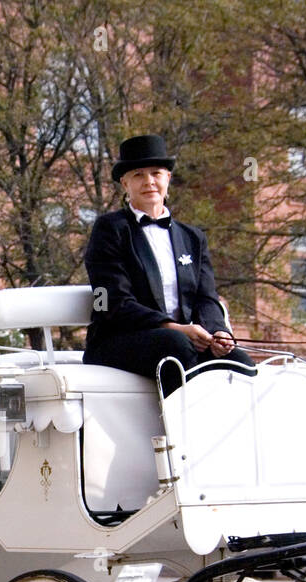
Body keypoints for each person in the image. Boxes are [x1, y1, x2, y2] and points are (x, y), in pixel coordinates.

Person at [84, 134, 255, 394]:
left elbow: (206, 298)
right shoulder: (110, 229)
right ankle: (178, 432)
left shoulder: (192, 237)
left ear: (168, 179)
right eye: (139, 175)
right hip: (118, 339)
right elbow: (113, 302)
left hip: (184, 339)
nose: (149, 182)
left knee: (240, 363)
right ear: (125, 182)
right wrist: (174, 327)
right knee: (175, 345)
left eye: (156, 173)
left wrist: (219, 332)